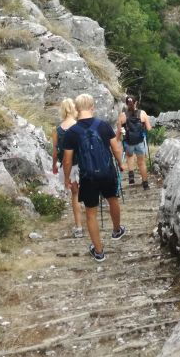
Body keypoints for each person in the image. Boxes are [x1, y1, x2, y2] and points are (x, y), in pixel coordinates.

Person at [61, 93, 126, 262]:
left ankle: (99, 251)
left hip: (87, 176)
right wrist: (121, 163)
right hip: (107, 172)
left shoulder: (71, 132)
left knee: (91, 213)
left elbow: (67, 160)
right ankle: (117, 230)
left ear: (76, 109)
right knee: (113, 199)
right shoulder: (103, 125)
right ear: (92, 107)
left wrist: (67, 178)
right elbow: (116, 148)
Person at [52, 98, 83, 238]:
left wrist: (54, 165)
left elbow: (55, 151)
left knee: (75, 195)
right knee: (86, 192)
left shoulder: (57, 130)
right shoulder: (80, 127)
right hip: (82, 164)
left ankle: (79, 227)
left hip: (68, 167)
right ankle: (90, 220)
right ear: (73, 109)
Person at [117, 95, 152, 189]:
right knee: (141, 163)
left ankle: (131, 175)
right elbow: (149, 128)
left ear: (126, 103)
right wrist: (143, 126)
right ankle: (145, 184)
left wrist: (118, 140)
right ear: (136, 102)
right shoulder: (143, 113)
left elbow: (119, 132)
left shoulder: (122, 115)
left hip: (128, 142)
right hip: (140, 142)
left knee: (129, 156)